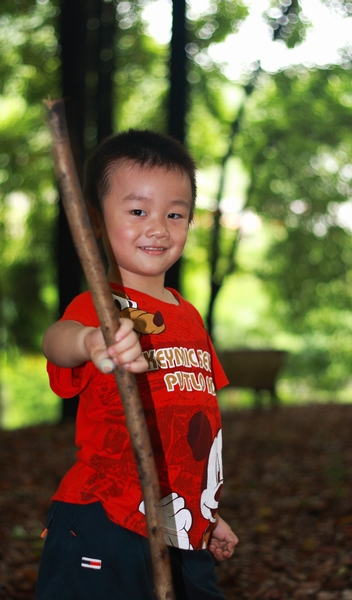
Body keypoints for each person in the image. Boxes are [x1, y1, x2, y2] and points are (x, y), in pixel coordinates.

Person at [35, 129, 238, 600]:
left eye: (175, 213)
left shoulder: (189, 317)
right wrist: (89, 342)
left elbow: (190, 433)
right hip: (105, 518)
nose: (159, 227)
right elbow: (55, 340)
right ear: (97, 222)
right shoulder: (102, 308)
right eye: (138, 211)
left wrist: (206, 514)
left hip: (182, 529)